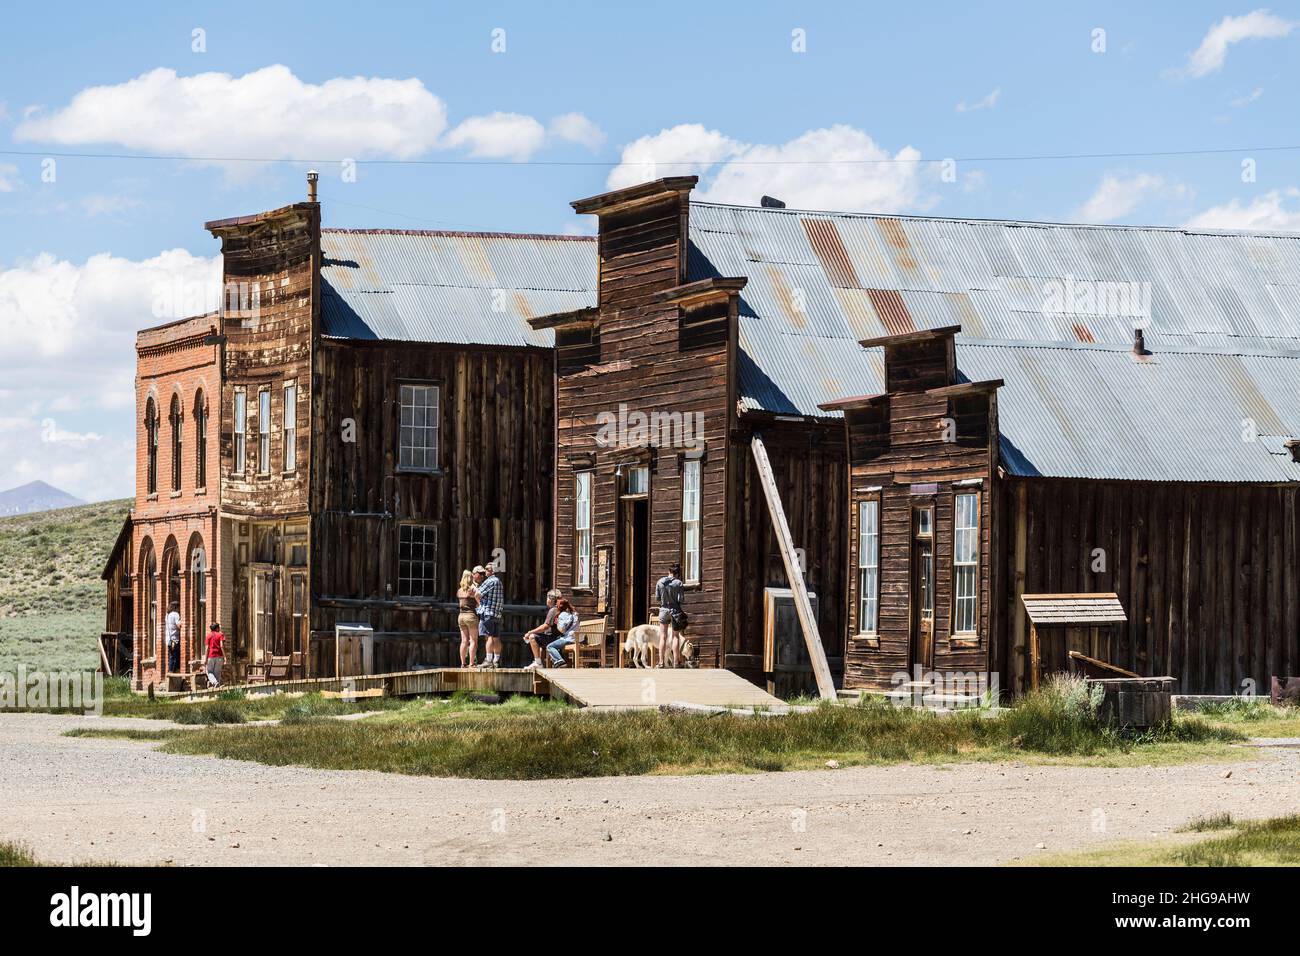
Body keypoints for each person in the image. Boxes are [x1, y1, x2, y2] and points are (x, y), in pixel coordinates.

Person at [655, 563, 686, 668]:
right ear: (677, 574)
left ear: (669, 571)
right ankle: (676, 662)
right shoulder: (679, 583)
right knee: (675, 637)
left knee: (663, 637)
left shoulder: (660, 582)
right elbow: (681, 599)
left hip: (663, 610)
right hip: (675, 610)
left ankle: (661, 662)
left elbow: (657, 598)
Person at [474, 563, 504, 669]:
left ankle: (488, 660)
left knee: (488, 636)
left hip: (487, 612)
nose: (485, 571)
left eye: (486, 569)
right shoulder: (499, 581)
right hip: (497, 613)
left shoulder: (489, 581)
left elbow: (477, 594)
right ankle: (496, 660)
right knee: (496, 637)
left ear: (491, 571)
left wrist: (479, 605)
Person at [523, 589, 562, 670]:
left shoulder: (553, 610)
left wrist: (530, 632)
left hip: (554, 638)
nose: (547, 600)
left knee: (532, 637)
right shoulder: (559, 608)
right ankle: (539, 663)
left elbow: (545, 626)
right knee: (540, 641)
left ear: (551, 599)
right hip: (558, 637)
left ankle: (538, 663)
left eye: (547, 598)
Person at [545, 598, 580, 667]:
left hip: (568, 639)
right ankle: (560, 662)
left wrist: (557, 623)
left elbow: (562, 630)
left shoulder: (562, 615)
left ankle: (559, 661)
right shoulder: (574, 614)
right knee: (558, 645)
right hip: (576, 638)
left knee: (550, 646)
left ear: (558, 607)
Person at [456, 570, 480, 667]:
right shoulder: (472, 590)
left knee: (464, 641)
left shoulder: (459, 591)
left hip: (461, 616)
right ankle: (471, 663)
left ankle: (462, 663)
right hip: (471, 615)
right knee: (473, 640)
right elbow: (479, 603)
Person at [204, 622, 225, 689]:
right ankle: (217, 687)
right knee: (217, 673)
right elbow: (222, 646)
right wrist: (225, 656)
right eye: (219, 627)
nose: (219, 628)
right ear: (217, 628)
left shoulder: (208, 636)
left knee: (209, 671)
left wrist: (205, 659)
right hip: (219, 656)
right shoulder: (220, 635)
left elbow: (207, 648)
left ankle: (215, 683)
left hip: (211, 656)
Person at [165, 602, 182, 673]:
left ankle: (170, 671)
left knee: (171, 656)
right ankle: (173, 673)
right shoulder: (175, 614)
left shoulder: (167, 615)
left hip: (168, 640)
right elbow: (179, 626)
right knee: (175, 657)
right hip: (174, 640)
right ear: (176, 607)